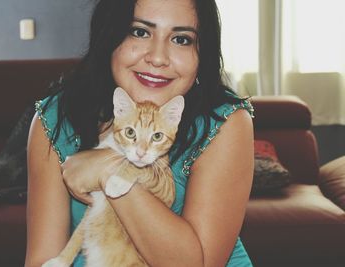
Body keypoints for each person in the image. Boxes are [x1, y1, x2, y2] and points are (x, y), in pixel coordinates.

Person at [25, 0, 255, 266]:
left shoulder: (226, 122)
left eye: (181, 39)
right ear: (109, 35)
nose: (158, 57)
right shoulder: (55, 119)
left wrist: (108, 170)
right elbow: (42, 259)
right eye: (140, 32)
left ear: (202, 53)